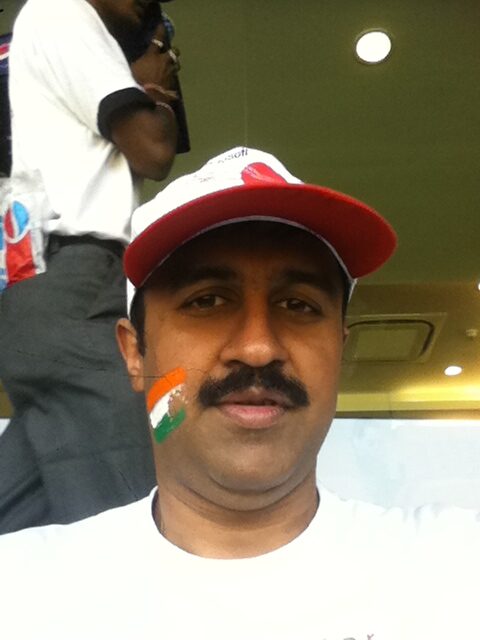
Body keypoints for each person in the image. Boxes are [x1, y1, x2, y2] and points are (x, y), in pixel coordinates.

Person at [1, 147, 478, 640]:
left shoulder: (456, 573)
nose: (257, 348)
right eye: (207, 301)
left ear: (339, 348)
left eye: (299, 305)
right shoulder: (19, 594)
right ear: (134, 353)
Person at [0, 0, 180, 532]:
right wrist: (158, 98)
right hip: (75, 282)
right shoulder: (63, 10)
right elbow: (153, 149)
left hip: (53, 287)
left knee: (26, 500)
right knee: (149, 481)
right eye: (163, 46)